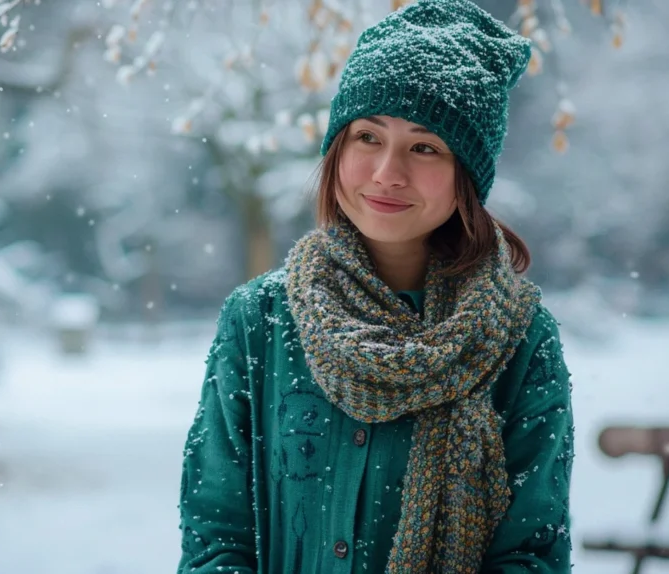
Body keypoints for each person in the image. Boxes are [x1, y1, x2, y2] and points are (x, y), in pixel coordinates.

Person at [176, 0, 574, 572]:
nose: (388, 171)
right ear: (338, 147)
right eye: (368, 136)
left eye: (425, 146)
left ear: (467, 174)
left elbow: (532, 553)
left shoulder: (519, 338)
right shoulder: (259, 319)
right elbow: (215, 534)